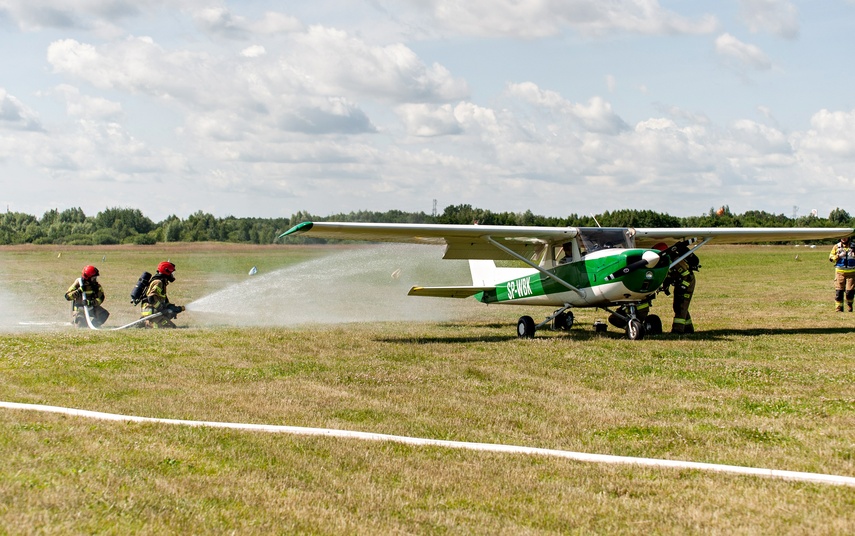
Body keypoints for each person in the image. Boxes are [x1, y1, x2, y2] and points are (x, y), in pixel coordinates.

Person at [140, 261, 185, 328]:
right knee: (170, 328)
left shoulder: (162, 282)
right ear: (166, 272)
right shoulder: (158, 282)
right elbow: (151, 298)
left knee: (170, 315)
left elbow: (160, 299)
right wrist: (162, 309)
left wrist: (173, 308)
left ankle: (148, 323)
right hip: (151, 312)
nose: (172, 275)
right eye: (172, 273)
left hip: (153, 312)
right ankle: (148, 323)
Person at [828, 235, 855, 312]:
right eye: (842, 237)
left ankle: (850, 305)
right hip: (839, 272)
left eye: (846, 237)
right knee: (839, 292)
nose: (844, 239)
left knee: (850, 292)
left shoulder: (854, 246)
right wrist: (838, 256)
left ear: (849, 238)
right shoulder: (836, 247)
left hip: (852, 273)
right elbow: (830, 258)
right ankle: (839, 309)